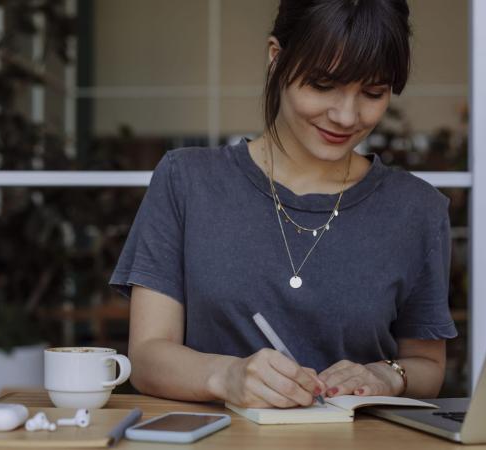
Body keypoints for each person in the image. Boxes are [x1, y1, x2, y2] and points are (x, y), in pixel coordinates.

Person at [110, 0, 457, 409]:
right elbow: (148, 355)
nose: (346, 116)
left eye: (372, 93)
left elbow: (427, 366)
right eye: (323, 85)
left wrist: (387, 375)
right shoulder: (187, 181)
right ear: (276, 59)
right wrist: (227, 377)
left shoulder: (416, 209)